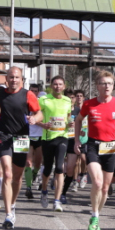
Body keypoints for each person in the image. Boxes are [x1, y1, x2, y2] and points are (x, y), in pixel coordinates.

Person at [74, 71, 115, 230]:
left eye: (110, 83)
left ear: (113, 86)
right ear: (97, 86)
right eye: (103, 83)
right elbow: (78, 120)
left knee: (105, 188)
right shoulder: (89, 104)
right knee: (98, 183)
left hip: (110, 148)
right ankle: (93, 215)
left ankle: (97, 216)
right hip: (93, 146)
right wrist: (77, 140)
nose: (107, 86)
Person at [0, 67, 42, 230]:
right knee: (7, 173)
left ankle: (12, 204)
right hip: (4, 135)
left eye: (16, 77)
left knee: (17, 177)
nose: (13, 80)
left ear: (21, 80)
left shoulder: (28, 94)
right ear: (6, 79)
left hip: (21, 137)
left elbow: (39, 113)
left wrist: (34, 119)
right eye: (11, 77)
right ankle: (8, 215)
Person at [38, 76, 71, 212]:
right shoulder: (43, 100)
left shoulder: (68, 100)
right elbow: (35, 116)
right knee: (47, 168)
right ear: (51, 86)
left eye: (60, 84)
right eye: (55, 84)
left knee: (59, 168)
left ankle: (57, 200)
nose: (58, 86)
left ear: (64, 86)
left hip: (62, 137)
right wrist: (42, 124)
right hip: (47, 138)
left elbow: (68, 117)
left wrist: (70, 123)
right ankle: (44, 190)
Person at [24, 84, 43, 198]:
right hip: (27, 135)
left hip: (40, 136)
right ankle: (28, 187)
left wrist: (36, 121)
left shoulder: (41, 103)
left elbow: (44, 118)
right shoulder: (24, 103)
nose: (33, 93)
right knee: (28, 162)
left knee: (38, 163)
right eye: (32, 91)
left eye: (36, 91)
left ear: (38, 92)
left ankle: (34, 174)